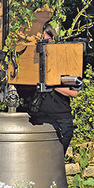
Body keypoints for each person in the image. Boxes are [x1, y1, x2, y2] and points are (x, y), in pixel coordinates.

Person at [29, 23, 79, 153]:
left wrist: (49, 83)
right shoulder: (31, 62)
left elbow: (74, 92)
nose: (43, 45)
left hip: (60, 120)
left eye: (46, 40)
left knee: (54, 165)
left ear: (52, 39)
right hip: (37, 118)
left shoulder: (64, 60)